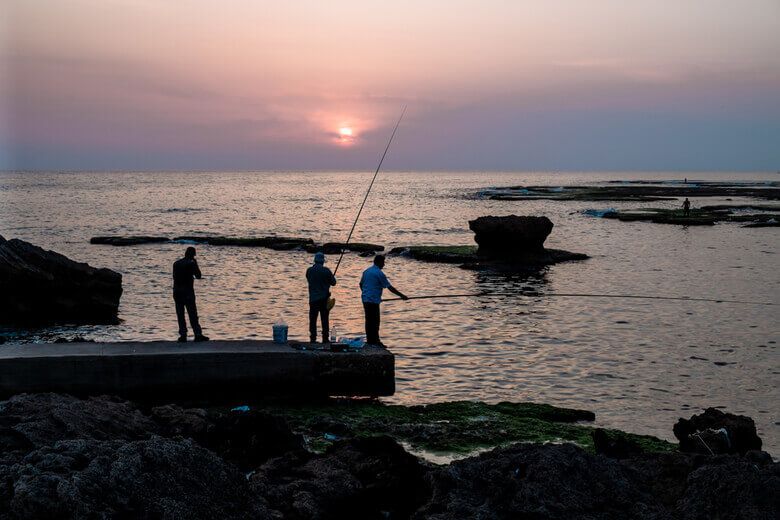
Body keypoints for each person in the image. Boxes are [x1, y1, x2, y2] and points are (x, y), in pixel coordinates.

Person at [359, 254, 408, 347]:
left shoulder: (366, 271)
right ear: (379, 262)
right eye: (383, 262)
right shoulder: (379, 273)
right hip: (372, 300)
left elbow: (361, 284)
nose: (384, 264)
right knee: (375, 320)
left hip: (365, 299)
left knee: (368, 320)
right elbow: (390, 288)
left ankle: (370, 340)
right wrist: (402, 296)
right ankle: (376, 341)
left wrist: (366, 293)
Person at [173, 247, 209, 342]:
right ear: (192, 255)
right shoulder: (191, 263)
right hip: (187, 291)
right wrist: (195, 263)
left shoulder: (176, 263)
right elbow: (198, 276)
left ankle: (183, 335)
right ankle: (197, 334)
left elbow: (174, 277)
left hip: (177, 291)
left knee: (180, 314)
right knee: (192, 314)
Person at [306, 251, 337, 343]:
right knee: (324, 318)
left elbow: (309, 279)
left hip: (313, 299)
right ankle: (325, 337)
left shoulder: (309, 270)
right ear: (323, 261)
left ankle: (313, 337)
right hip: (324, 299)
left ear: (315, 260)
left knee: (313, 319)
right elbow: (334, 283)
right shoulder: (326, 271)